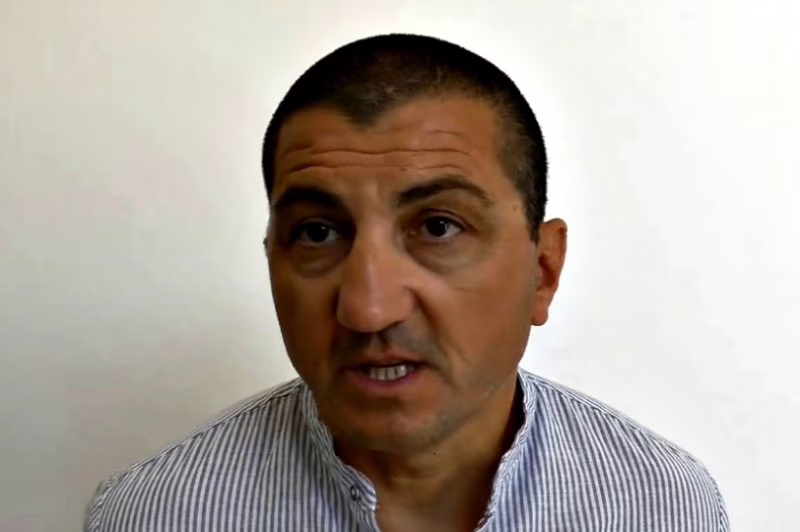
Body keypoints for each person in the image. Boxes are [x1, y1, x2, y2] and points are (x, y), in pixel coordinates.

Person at [84, 34, 729, 532]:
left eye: (439, 226)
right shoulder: (155, 515)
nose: (368, 309)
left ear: (542, 272)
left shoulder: (660, 507)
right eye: (316, 232)